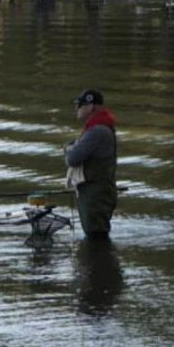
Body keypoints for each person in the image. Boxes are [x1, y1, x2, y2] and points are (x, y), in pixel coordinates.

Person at [64, 89, 118, 240]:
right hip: (97, 193)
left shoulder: (97, 132)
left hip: (95, 196)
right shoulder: (99, 128)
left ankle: (99, 263)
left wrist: (69, 148)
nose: (77, 109)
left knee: (96, 239)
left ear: (91, 106)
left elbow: (72, 158)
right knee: (96, 238)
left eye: (80, 105)